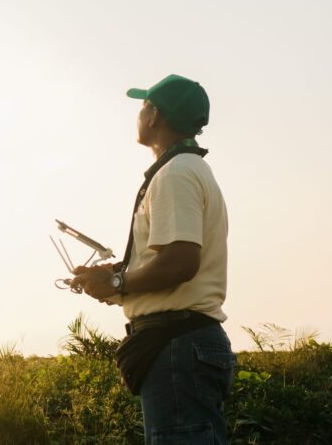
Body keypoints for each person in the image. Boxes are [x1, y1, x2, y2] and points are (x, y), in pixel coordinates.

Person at [71, 74, 236, 444]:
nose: (140, 113)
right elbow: (169, 259)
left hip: (178, 344)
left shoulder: (175, 174)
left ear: (155, 115)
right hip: (185, 341)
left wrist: (117, 282)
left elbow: (180, 262)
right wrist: (112, 278)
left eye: (143, 105)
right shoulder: (187, 170)